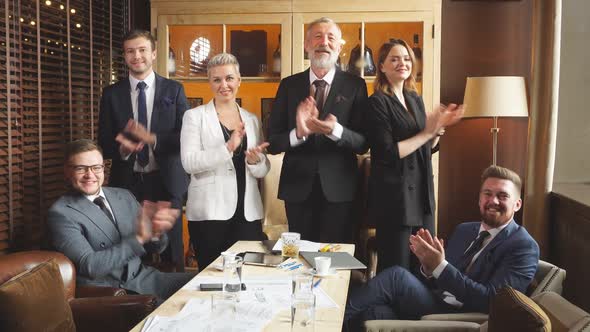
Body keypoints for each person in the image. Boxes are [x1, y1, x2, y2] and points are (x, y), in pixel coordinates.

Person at [344, 165, 540, 329]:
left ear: (517, 204)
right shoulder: (465, 230)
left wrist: (440, 267)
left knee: (396, 276)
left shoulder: (523, 247)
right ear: (479, 199)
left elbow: (492, 301)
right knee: (373, 314)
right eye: (487, 194)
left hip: (459, 315)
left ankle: (325, 320)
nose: (493, 201)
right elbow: (436, 279)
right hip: (434, 301)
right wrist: (428, 269)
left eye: (503, 196)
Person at [47, 139, 194, 302]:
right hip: (113, 293)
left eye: (96, 167)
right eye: (81, 168)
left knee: (207, 285)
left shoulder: (123, 196)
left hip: (146, 279)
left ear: (103, 168)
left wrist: (155, 231)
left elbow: (156, 248)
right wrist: (138, 238)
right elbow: (91, 266)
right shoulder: (61, 213)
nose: (90, 175)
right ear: (67, 172)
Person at [267, 17, 368, 243]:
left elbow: (363, 143)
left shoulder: (355, 86)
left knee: (337, 261)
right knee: (299, 260)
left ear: (340, 46)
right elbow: (272, 143)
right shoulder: (288, 85)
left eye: (331, 37)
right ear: (306, 45)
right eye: (318, 36)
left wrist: (335, 130)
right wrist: (299, 133)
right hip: (297, 190)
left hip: (340, 190)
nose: (324, 42)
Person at [366, 39, 464, 272]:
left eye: (407, 58)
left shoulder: (415, 98)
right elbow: (387, 153)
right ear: (381, 66)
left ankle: (420, 310)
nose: (403, 63)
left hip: (422, 196)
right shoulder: (377, 102)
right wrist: (427, 132)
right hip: (395, 199)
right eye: (395, 59)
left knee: (424, 265)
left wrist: (438, 130)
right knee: (396, 268)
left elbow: (426, 148)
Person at [98, 29, 189, 272]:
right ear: (125, 56)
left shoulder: (174, 90)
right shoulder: (111, 94)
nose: (136, 56)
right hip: (127, 184)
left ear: (153, 53)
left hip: (167, 182)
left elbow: (187, 137)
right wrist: (123, 149)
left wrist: (153, 139)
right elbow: (104, 142)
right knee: (132, 249)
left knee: (172, 255)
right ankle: (137, 303)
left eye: (141, 50)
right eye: (130, 51)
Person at [180, 53, 270, 269]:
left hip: (247, 214)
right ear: (209, 82)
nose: (224, 85)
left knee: (249, 275)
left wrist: (255, 161)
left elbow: (263, 169)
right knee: (211, 277)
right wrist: (228, 147)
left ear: (239, 80)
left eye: (229, 78)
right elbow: (189, 162)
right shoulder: (194, 117)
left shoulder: (252, 119)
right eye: (217, 79)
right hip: (210, 214)